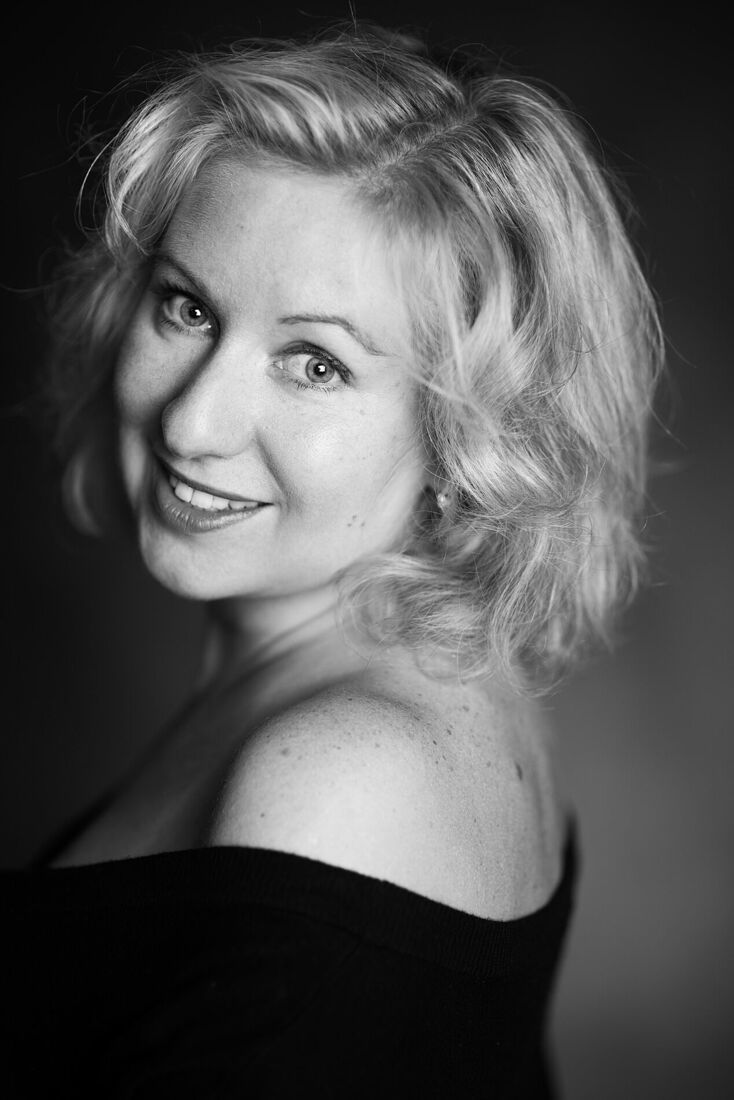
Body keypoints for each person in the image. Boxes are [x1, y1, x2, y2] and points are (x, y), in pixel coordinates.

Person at [4, 23, 662, 1098]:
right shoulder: (420, 689)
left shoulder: (343, 781)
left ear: (468, 436)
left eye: (314, 363)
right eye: (187, 307)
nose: (193, 422)